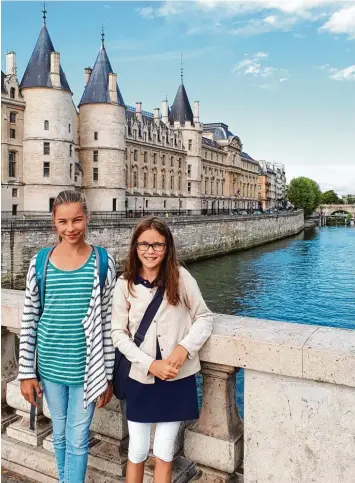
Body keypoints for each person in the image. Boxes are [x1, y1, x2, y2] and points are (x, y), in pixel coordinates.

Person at [18, 190, 116, 483]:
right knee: (59, 433)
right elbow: (30, 319)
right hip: (49, 366)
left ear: (87, 218)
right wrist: (26, 372)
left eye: (77, 220)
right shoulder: (40, 263)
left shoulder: (103, 261)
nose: (70, 228)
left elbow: (108, 323)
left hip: (87, 369)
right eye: (63, 222)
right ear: (54, 223)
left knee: (77, 438)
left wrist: (107, 376)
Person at [111, 216, 213, 483]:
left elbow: (204, 317)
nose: (150, 251)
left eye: (157, 245)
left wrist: (183, 349)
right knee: (137, 449)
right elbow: (118, 334)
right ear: (135, 247)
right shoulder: (125, 284)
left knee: (165, 450)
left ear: (167, 248)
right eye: (144, 244)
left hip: (176, 375)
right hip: (141, 376)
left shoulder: (181, 278)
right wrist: (149, 364)